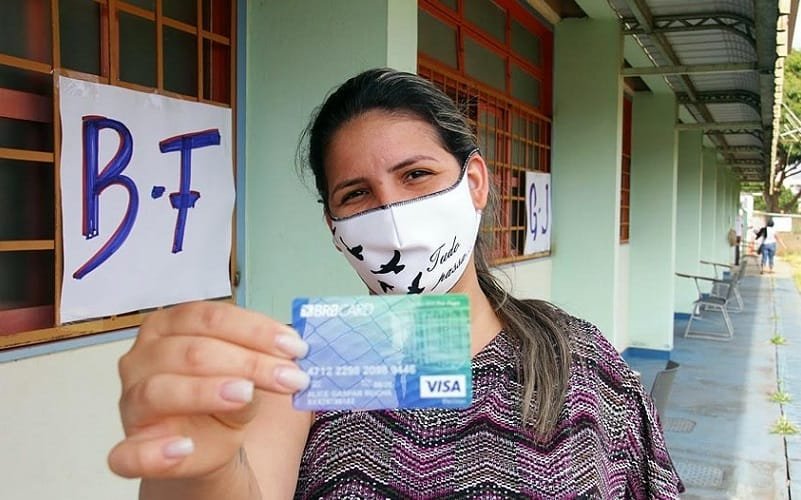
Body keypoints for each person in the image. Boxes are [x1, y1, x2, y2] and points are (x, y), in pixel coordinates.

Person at [108, 68, 683, 498]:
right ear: (335, 228)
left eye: (416, 175)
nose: (394, 215)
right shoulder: (310, 367)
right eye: (356, 194)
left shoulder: (577, 355)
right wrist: (200, 466)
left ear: (475, 182)